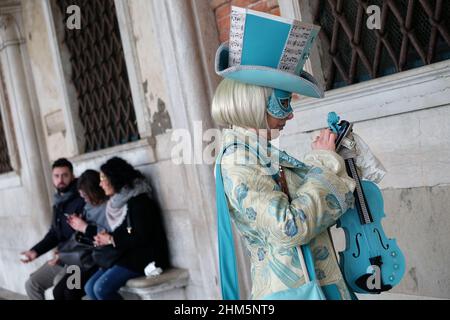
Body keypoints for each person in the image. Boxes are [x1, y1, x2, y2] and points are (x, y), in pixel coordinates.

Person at [212, 7, 356, 300]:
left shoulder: (257, 153)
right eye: (283, 103)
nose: (289, 116)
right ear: (254, 102)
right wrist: (325, 164)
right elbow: (290, 227)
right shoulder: (238, 161)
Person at [84, 157, 170, 300]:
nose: (101, 184)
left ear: (114, 178)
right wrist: (107, 237)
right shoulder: (122, 200)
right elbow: (126, 229)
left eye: (103, 178)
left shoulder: (139, 201)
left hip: (145, 257)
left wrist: (112, 239)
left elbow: (141, 236)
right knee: (89, 287)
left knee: (101, 289)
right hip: (127, 255)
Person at [21, 158, 85, 300]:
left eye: (65, 175)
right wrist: (34, 251)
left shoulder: (81, 199)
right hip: (61, 259)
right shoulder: (59, 202)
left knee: (59, 286)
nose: (60, 179)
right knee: (32, 284)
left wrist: (61, 254)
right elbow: (54, 234)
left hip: (78, 260)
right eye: (56, 176)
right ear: (52, 178)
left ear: (72, 176)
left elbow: (81, 236)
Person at [52, 169, 109, 300]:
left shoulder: (108, 207)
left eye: (85, 195)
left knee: (71, 293)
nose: (84, 199)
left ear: (94, 191)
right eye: (82, 195)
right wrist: (77, 225)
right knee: (58, 292)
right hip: (83, 260)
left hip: (96, 261)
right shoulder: (88, 208)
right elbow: (82, 237)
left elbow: (108, 234)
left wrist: (84, 227)